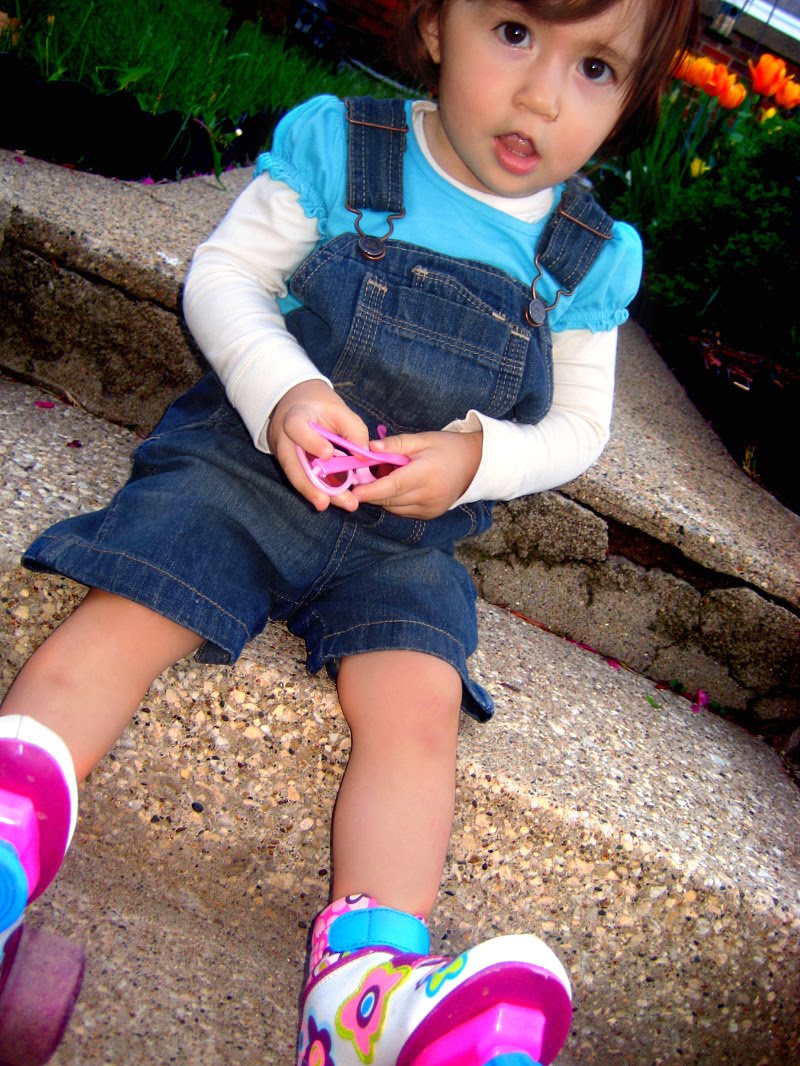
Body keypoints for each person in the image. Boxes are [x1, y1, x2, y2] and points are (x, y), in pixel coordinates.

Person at [0, 0, 698, 1062]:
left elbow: (578, 429)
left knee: (418, 710)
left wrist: (474, 460)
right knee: (133, 604)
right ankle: (11, 827)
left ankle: (364, 991)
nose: (542, 96)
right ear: (436, 24)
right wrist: (284, 389)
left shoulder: (588, 255)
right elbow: (226, 277)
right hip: (241, 472)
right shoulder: (347, 146)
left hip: (402, 539)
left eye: (596, 67)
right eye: (514, 32)